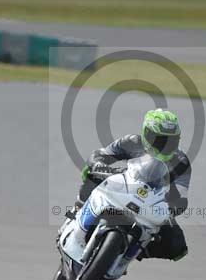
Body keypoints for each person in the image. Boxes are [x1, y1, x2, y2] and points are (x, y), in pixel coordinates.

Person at [77, 108, 190, 261]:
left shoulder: (181, 162)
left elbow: (182, 195)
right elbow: (100, 155)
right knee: (90, 173)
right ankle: (77, 210)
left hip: (153, 200)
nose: (166, 145)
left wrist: (172, 208)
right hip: (125, 184)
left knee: (178, 247)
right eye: (161, 140)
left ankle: (133, 252)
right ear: (147, 135)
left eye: (172, 141)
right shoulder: (131, 142)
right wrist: (99, 165)